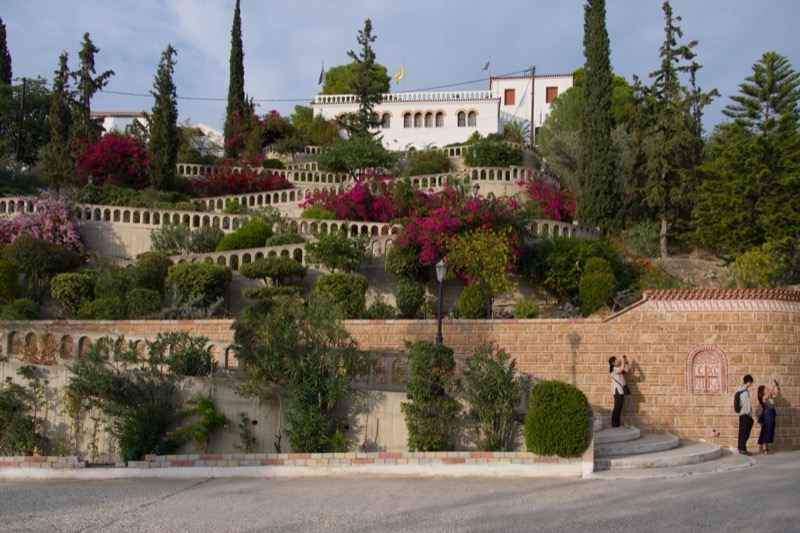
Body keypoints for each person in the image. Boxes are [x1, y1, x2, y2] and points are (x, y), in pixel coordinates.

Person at [757, 380, 781, 454]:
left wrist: (777, 386)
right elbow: (769, 392)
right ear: (763, 391)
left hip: (771, 415)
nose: (767, 389)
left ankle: (766, 448)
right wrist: (773, 385)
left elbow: (778, 395)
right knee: (766, 431)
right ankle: (764, 449)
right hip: (767, 416)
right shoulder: (764, 397)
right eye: (765, 389)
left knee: (770, 430)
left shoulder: (769, 397)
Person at [608, 355, 630, 428]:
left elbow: (626, 370)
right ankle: (615, 424)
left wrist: (626, 361)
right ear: (613, 362)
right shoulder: (613, 368)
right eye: (616, 360)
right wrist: (622, 358)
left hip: (621, 390)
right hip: (617, 390)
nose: (618, 362)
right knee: (617, 407)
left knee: (619, 407)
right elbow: (621, 369)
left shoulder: (617, 368)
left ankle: (616, 423)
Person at [735, 374, 755, 456]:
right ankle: (742, 448)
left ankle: (741, 447)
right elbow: (746, 405)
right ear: (748, 382)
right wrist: (750, 413)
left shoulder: (738, 389)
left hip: (741, 413)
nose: (751, 385)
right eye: (751, 383)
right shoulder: (745, 392)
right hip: (745, 414)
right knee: (745, 431)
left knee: (742, 431)